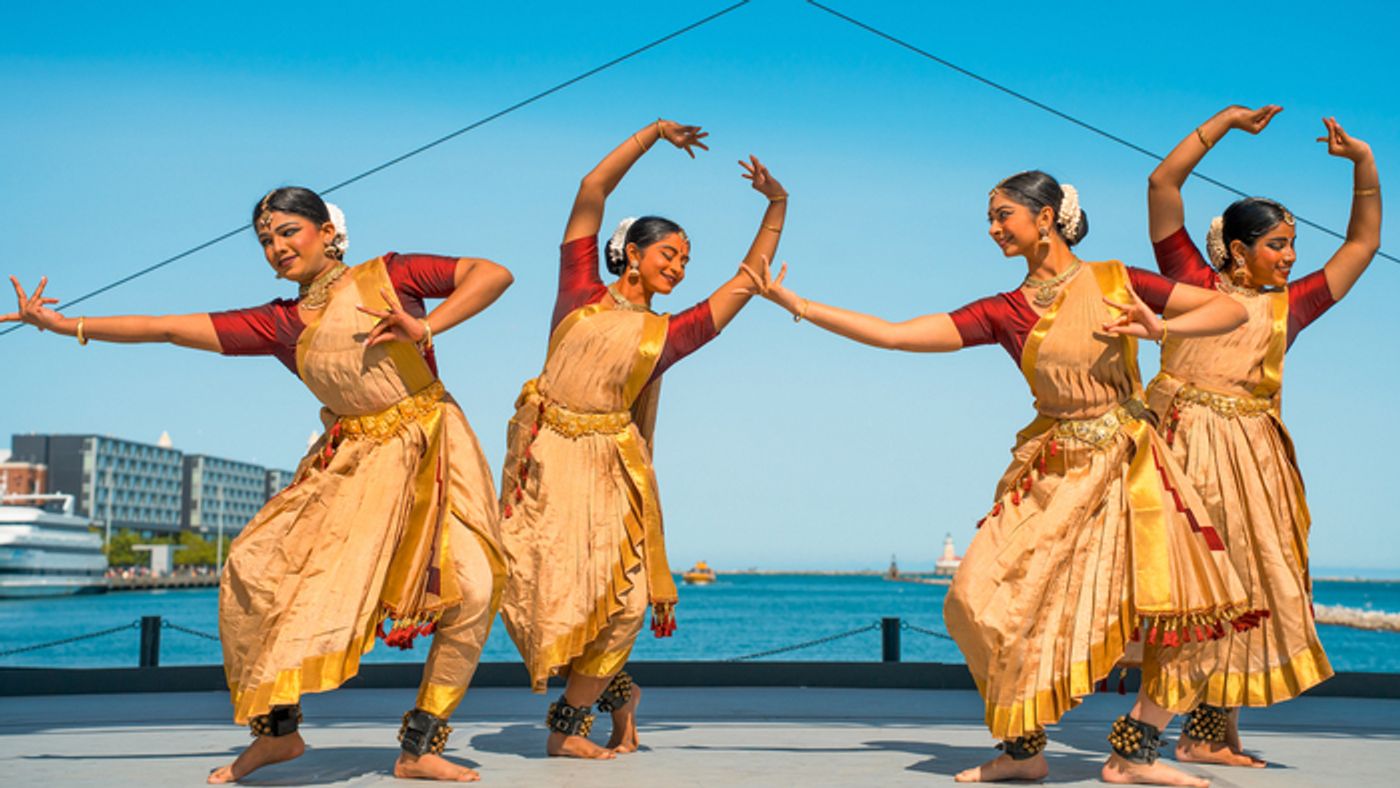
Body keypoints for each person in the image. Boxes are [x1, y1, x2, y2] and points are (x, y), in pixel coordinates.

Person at [739, 171, 1261, 787]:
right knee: (971, 601)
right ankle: (1022, 749)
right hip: (1051, 472)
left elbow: (1229, 308)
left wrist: (1161, 328)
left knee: (1180, 613)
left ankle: (1134, 752)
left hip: (1130, 471)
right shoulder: (1006, 311)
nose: (992, 229)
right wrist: (797, 304)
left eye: (1002, 215)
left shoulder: (1117, 280)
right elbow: (899, 333)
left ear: (1045, 218)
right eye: (990, 217)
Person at [4, 186, 514, 783]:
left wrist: (427, 328)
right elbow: (166, 328)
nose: (276, 247)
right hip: (353, 466)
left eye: (288, 232)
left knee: (475, 590)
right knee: (252, 566)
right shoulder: (281, 323)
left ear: (328, 232)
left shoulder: (391, 276)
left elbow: (492, 273)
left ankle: (420, 743)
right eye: (266, 240)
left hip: (434, 450)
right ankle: (277, 734)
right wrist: (67, 325)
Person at [497, 118, 786, 759]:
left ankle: (566, 730)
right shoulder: (578, 295)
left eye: (686, 261)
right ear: (632, 253)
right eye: (669, 255)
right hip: (546, 465)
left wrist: (776, 205)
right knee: (552, 597)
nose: (680, 269)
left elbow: (747, 279)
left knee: (622, 603)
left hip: (611, 471)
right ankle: (619, 694)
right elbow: (591, 189)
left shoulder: (666, 336)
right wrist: (652, 134)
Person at [1144, 106, 1381, 766]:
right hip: (1179, 454)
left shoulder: (1289, 306)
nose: (1292, 256)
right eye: (1279, 244)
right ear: (1240, 251)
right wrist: (1223, 123)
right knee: (1182, 591)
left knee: (1247, 589)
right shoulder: (1190, 285)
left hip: (1253, 460)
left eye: (1294, 245)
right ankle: (1138, 739)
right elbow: (1163, 187)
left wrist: (1363, 165)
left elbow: (1360, 246)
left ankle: (1207, 733)